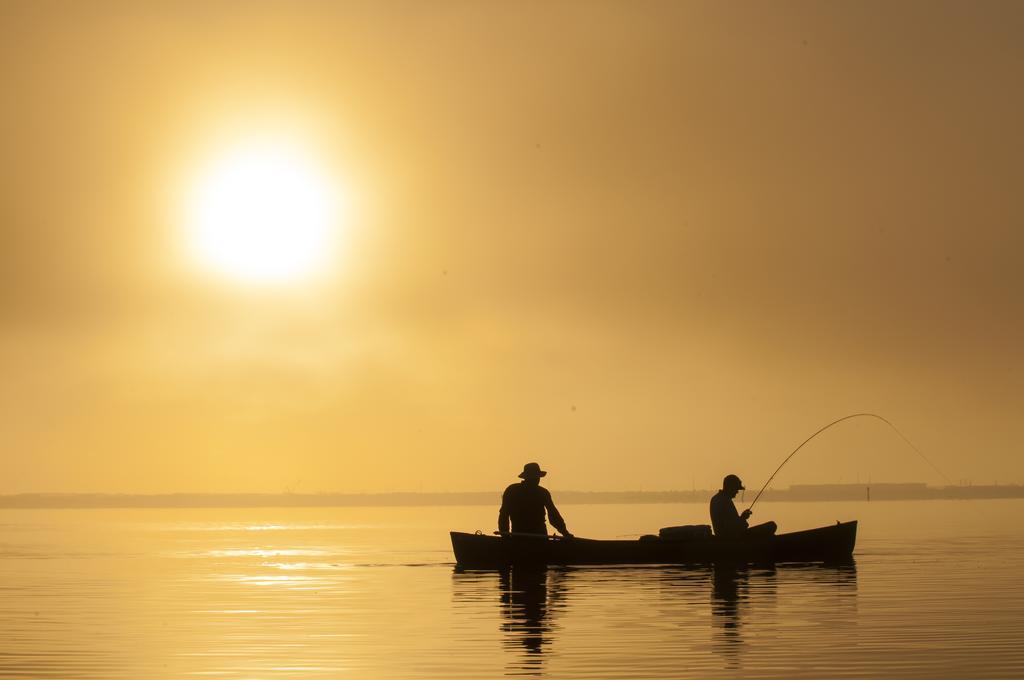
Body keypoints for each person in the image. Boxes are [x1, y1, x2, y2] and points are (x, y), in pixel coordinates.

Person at [498, 463, 573, 538]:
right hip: (537, 538)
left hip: (523, 537)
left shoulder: (512, 490)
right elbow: (554, 516)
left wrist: (505, 536)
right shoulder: (542, 493)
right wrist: (565, 533)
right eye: (536, 477)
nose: (537, 480)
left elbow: (503, 515)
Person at [710, 474, 777, 539]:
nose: (737, 492)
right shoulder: (724, 501)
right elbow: (732, 528)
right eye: (736, 489)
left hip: (727, 536)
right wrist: (743, 518)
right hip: (732, 538)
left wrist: (742, 518)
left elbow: (730, 523)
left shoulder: (717, 499)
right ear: (731, 487)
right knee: (771, 525)